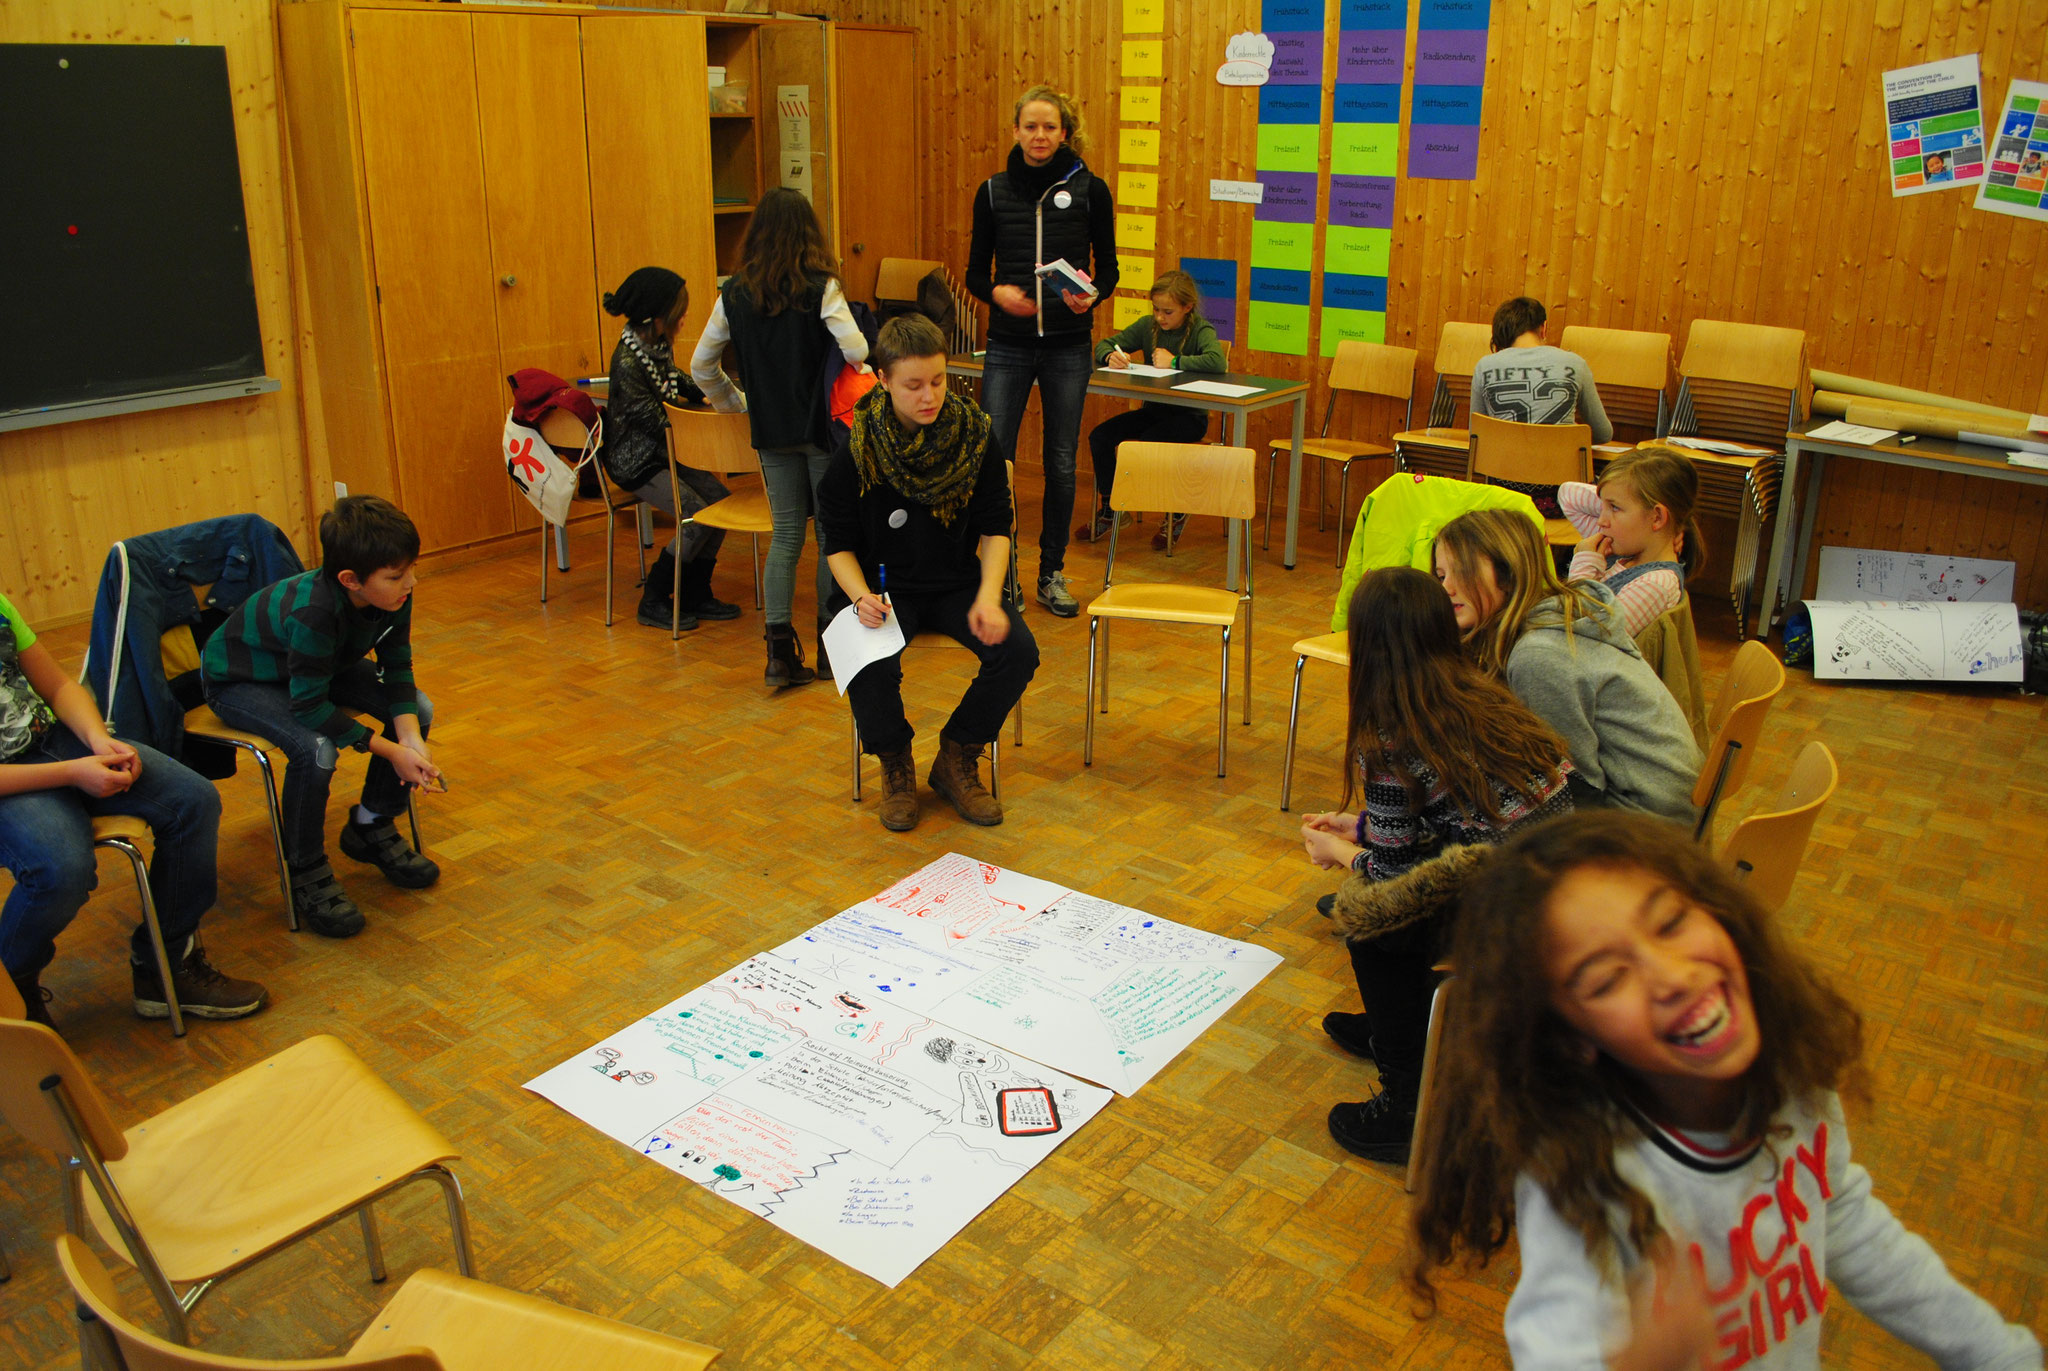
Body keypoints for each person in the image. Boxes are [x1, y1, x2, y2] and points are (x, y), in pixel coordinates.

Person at [1409, 811, 2043, 1371]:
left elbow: (1840, 1212)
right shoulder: (1584, 1176)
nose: (1674, 977)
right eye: (1607, 981)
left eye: (1673, 921)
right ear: (1573, 1038)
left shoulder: (1787, 1074)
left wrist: (1995, 1351)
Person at [1298, 567, 1578, 1163]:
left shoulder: (1393, 735)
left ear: (1367, 646)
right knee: (1387, 905)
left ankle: (1408, 1102)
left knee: (1372, 924)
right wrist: (1365, 827)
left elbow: (1396, 879)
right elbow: (1442, 823)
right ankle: (1396, 1029)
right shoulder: (1474, 691)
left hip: (1517, 914)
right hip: (1562, 880)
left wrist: (1343, 852)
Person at [0, 587, 267, 1026]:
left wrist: (97, 739)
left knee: (194, 802)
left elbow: (59, 685)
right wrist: (73, 773)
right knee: (61, 870)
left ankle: (162, 968)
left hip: (52, 741)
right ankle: (10, 987)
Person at [817, 315, 1038, 833]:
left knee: (1018, 651)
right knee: (869, 662)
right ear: (884, 380)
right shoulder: (857, 448)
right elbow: (837, 543)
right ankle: (895, 762)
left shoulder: (975, 436)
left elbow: (996, 528)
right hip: (882, 587)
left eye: (938, 381)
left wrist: (989, 595)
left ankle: (957, 755)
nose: (929, 396)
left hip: (957, 581)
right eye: (913, 385)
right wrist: (859, 596)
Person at [202, 497, 444, 939]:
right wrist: (392, 751)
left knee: (419, 709)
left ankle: (370, 825)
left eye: (411, 568)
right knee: (315, 750)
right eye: (395, 576)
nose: (411, 580)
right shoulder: (314, 612)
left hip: (315, 667)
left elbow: (397, 663)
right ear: (350, 580)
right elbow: (309, 707)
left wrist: (410, 737)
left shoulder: (394, 593)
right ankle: (305, 867)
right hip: (241, 680)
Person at [693, 188, 871, 686]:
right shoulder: (821, 287)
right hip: (820, 430)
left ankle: (777, 655)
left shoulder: (734, 293)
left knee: (787, 536)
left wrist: (736, 403)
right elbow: (856, 350)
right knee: (828, 536)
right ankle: (828, 648)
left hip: (769, 432)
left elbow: (701, 366)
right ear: (808, 232)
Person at [1435, 509, 1701, 822]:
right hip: (1648, 800)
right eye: (1441, 576)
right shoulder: (1547, 617)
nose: (1446, 588)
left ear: (1508, 574)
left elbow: (1574, 789)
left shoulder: (1538, 656)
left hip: (1644, 821)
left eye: (1462, 572)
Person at [966, 84, 1119, 618]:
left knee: (1059, 461)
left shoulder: (1090, 189)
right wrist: (996, 293)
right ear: (1015, 131)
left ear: (1064, 132)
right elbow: (972, 273)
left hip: (1068, 347)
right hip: (1006, 346)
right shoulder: (992, 191)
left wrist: (1092, 293)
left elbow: (1111, 269)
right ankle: (998, 576)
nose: (1039, 136)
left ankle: (1051, 571)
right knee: (996, 461)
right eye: (1030, 126)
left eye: (1049, 127)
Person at [599, 267, 741, 632]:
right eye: (679, 311)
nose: (684, 317)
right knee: (693, 514)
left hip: (662, 453)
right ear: (657, 316)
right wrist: (701, 427)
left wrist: (701, 393)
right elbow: (657, 421)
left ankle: (695, 592)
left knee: (719, 504)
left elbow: (672, 376)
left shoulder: (652, 345)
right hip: (637, 462)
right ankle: (655, 597)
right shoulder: (628, 361)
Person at [1081, 269, 1227, 549]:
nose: (1161, 317)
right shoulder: (1149, 326)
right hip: (1154, 412)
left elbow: (1216, 362)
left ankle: (1175, 509)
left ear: (1187, 308)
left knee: (1150, 443)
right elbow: (1104, 344)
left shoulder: (1200, 330)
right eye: (1157, 309)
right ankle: (1113, 507)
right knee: (1100, 436)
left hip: (1189, 417)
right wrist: (1111, 355)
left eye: (1168, 312)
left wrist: (1175, 362)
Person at [1471, 297, 1612, 516]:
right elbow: (1603, 433)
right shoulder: (1575, 363)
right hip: (1564, 502)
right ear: (1543, 328)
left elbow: (1478, 436)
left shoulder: (1485, 366)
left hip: (1505, 501)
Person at [1558, 445, 1705, 637]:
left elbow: (1584, 638)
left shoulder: (1655, 585)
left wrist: (1583, 565)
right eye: (1602, 506)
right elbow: (1567, 495)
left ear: (1657, 517)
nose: (1601, 520)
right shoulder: (1623, 543)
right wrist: (1677, 522)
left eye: (1614, 508)